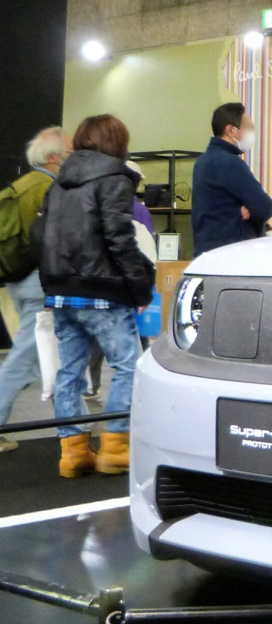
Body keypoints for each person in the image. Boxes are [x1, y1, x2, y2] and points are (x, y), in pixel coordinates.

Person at [32, 114, 155, 478]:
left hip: (61, 292)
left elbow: (40, 235)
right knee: (128, 365)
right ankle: (115, 447)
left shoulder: (59, 182)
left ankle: (73, 452)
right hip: (102, 292)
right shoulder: (115, 178)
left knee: (69, 371)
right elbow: (120, 240)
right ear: (117, 141)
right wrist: (140, 288)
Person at [0, 127, 72, 453]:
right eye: (70, 152)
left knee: (49, 356)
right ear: (54, 157)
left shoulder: (22, 186)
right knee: (26, 359)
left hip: (20, 279)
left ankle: (73, 429)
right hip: (39, 283)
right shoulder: (46, 188)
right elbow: (51, 243)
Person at [86, 160, 156, 399]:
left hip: (105, 280)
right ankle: (143, 380)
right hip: (134, 277)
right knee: (140, 332)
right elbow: (147, 247)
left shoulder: (99, 203)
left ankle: (91, 384)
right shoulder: (140, 210)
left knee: (99, 335)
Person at [191, 102, 272, 255]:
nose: (251, 133)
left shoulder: (202, 161)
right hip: (231, 252)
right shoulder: (230, 162)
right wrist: (250, 209)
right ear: (230, 130)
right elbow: (264, 207)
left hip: (207, 252)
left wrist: (248, 208)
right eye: (248, 127)